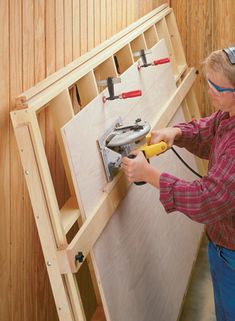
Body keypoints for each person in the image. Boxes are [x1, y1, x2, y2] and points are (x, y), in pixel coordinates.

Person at [122, 47, 235, 321]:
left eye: (216, 86)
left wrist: (150, 176)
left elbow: (208, 200)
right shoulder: (227, 115)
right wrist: (176, 132)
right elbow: (208, 130)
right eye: (207, 82)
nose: (209, 90)